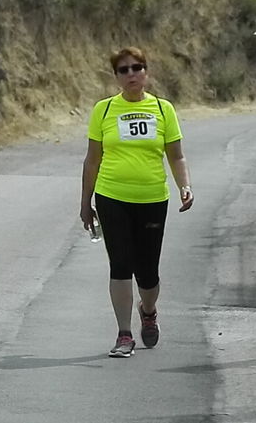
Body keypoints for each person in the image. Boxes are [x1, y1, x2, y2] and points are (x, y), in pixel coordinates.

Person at [80, 46, 193, 358]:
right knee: (120, 265)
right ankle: (124, 334)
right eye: (124, 69)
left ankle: (149, 308)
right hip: (111, 196)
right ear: (116, 76)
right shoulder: (103, 110)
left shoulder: (163, 109)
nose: (131, 74)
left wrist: (185, 186)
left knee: (148, 273)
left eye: (137, 67)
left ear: (146, 72)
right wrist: (85, 202)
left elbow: (177, 155)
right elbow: (92, 160)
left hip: (153, 198)